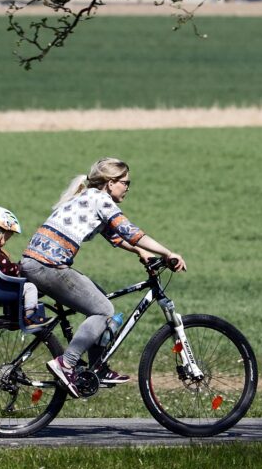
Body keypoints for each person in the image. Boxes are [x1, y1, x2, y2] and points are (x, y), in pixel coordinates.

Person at [20, 157, 186, 397]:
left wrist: (140, 251)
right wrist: (167, 252)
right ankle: (66, 363)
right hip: (48, 266)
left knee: (101, 300)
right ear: (110, 183)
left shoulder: (87, 197)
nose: (128, 188)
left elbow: (116, 236)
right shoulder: (101, 200)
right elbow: (130, 231)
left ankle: (98, 367)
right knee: (103, 311)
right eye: (125, 183)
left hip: (37, 263)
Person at [0, 206, 46, 328]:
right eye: (8, 235)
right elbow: (7, 269)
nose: (8, 239)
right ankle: (31, 316)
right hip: (3, 287)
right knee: (30, 288)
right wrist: (19, 268)